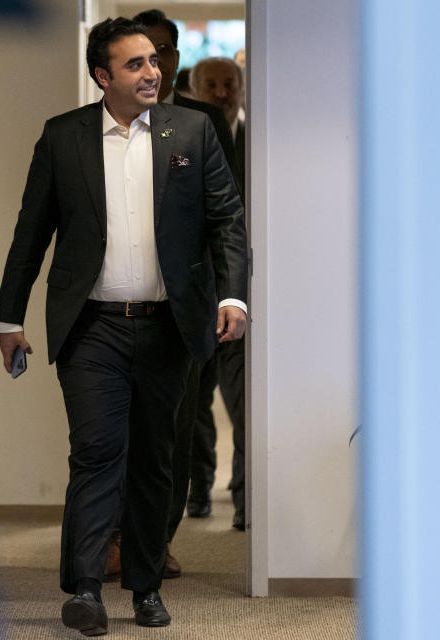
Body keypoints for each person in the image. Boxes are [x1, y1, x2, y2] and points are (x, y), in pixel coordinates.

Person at [0, 17, 248, 636]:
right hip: (93, 327)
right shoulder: (64, 138)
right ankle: (85, 588)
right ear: (102, 76)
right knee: (97, 453)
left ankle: (144, 586)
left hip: (170, 325)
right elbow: (32, 234)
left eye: (154, 62)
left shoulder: (192, 129)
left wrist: (235, 298)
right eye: (135, 64)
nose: (152, 72)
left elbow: (227, 221)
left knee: (157, 460)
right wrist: (10, 317)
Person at [99, 9, 242, 583]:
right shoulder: (100, 126)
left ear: (176, 61)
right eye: (142, 54)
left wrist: (224, 294)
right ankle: (112, 539)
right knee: (118, 430)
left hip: (189, 305)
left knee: (180, 428)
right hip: (118, 304)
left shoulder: (203, 121)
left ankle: (158, 538)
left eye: (163, 52)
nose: (154, 64)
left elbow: (224, 213)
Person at [190, 55, 248, 530]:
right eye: (212, 84)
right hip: (192, 294)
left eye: (229, 84)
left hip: (240, 294)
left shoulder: (257, 141)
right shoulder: (185, 139)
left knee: (244, 401)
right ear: (196, 89)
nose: (222, 93)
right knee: (192, 404)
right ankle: (198, 488)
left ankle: (247, 505)